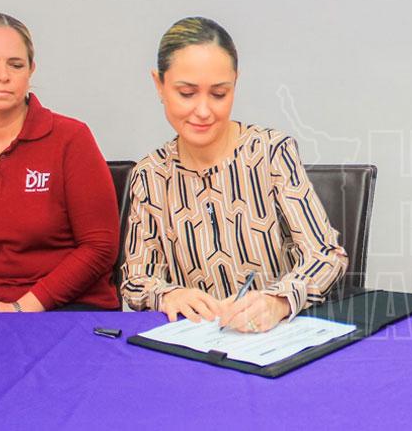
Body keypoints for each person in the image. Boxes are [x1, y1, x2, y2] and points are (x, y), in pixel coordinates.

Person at [121, 17, 348, 332]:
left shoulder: (270, 153)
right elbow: (136, 279)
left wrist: (279, 300)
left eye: (219, 94)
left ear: (234, 84)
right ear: (159, 85)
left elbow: (326, 255)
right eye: (186, 93)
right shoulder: (150, 175)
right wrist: (168, 295)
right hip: (195, 340)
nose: (203, 111)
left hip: (271, 336)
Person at [0, 12, 120, 312]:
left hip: (68, 308)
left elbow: (100, 246)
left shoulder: (71, 138)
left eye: (15, 65)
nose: (2, 75)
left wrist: (21, 308)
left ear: (31, 70)